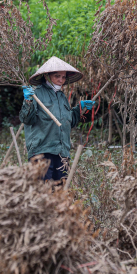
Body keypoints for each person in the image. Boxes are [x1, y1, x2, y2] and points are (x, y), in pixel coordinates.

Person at [19, 56, 96, 184]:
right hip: (41, 151)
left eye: (63, 77)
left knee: (61, 192)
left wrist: (79, 109)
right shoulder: (36, 94)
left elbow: (68, 122)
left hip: (61, 152)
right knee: (42, 192)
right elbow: (26, 119)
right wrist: (28, 101)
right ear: (47, 76)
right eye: (57, 76)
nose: (61, 80)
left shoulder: (62, 97)